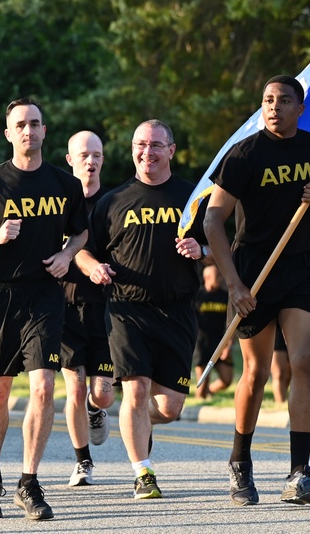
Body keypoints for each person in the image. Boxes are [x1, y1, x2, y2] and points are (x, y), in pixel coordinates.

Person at [203, 75, 310, 506]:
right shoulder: (243, 154)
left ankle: (298, 473)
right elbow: (213, 221)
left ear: (300, 108)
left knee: (305, 362)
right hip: (254, 270)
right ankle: (240, 462)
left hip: (303, 268)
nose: (274, 107)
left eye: (284, 100)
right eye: (267, 100)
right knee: (257, 371)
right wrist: (233, 283)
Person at [0, 97, 87, 521]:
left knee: (44, 387)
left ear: (45, 131)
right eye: (21, 125)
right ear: (8, 133)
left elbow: (79, 233)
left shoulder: (65, 184)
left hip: (44, 295)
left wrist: (67, 256)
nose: (29, 131)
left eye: (36, 124)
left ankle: (29, 481)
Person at [77, 119, 206, 500]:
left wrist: (203, 251)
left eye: (155, 145)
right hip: (126, 309)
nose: (146, 152)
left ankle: (126, 421)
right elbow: (83, 251)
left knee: (168, 407)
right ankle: (143, 473)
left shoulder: (191, 196)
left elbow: (216, 244)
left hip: (177, 311)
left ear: (171, 150)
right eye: (139, 145)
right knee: (136, 391)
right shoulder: (112, 202)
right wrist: (93, 267)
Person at [58, 131, 114, 488]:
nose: (90, 161)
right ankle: (83, 463)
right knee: (75, 388)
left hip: (106, 310)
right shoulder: (57, 201)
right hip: (64, 306)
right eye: (83, 155)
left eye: (96, 155)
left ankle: (97, 410)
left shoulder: (113, 202)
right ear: (70, 160)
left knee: (101, 393)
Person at [192, 264, 234, 400]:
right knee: (202, 384)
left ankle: (209, 391)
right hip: (201, 342)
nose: (221, 279)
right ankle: (200, 399)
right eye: (218, 276)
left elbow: (231, 324)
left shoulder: (226, 297)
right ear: (207, 277)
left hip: (219, 342)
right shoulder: (197, 296)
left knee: (227, 379)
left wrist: (228, 346)